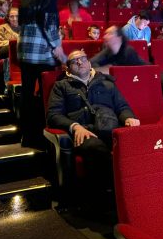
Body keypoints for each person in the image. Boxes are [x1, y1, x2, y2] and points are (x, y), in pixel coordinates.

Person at [47, 49, 140, 190]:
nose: (80, 62)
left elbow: (122, 107)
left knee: (135, 142)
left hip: (110, 127)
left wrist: (129, 118)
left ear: (89, 63)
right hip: (85, 132)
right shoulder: (61, 86)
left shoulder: (106, 83)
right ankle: (122, 188)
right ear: (68, 68)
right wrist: (75, 126)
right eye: (74, 61)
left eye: (83, 59)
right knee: (95, 147)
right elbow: (53, 115)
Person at [18, 0, 66, 146]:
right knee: (47, 92)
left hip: (25, 50)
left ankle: (27, 135)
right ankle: (44, 135)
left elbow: (22, 23)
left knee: (27, 94)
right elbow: (49, 25)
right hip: (41, 52)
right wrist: (57, 47)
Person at [0, 7, 20, 90]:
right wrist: (11, 43)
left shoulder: (23, 28)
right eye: (12, 16)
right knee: (14, 47)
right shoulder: (2, 27)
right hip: (5, 51)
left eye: (17, 16)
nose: (15, 19)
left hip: (20, 53)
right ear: (8, 18)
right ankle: (7, 86)